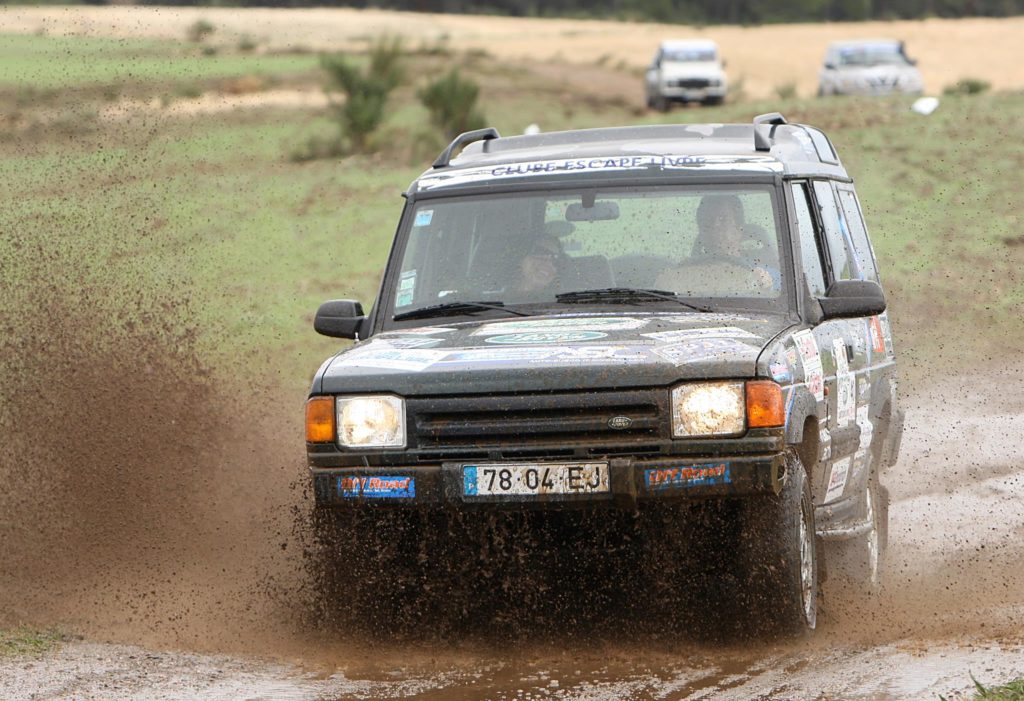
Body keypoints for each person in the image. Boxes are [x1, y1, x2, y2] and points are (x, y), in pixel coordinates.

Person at [658, 194, 778, 293]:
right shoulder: (683, 273)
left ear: (739, 230)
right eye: (707, 221)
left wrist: (767, 285)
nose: (714, 226)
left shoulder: (766, 274)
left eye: (723, 219)